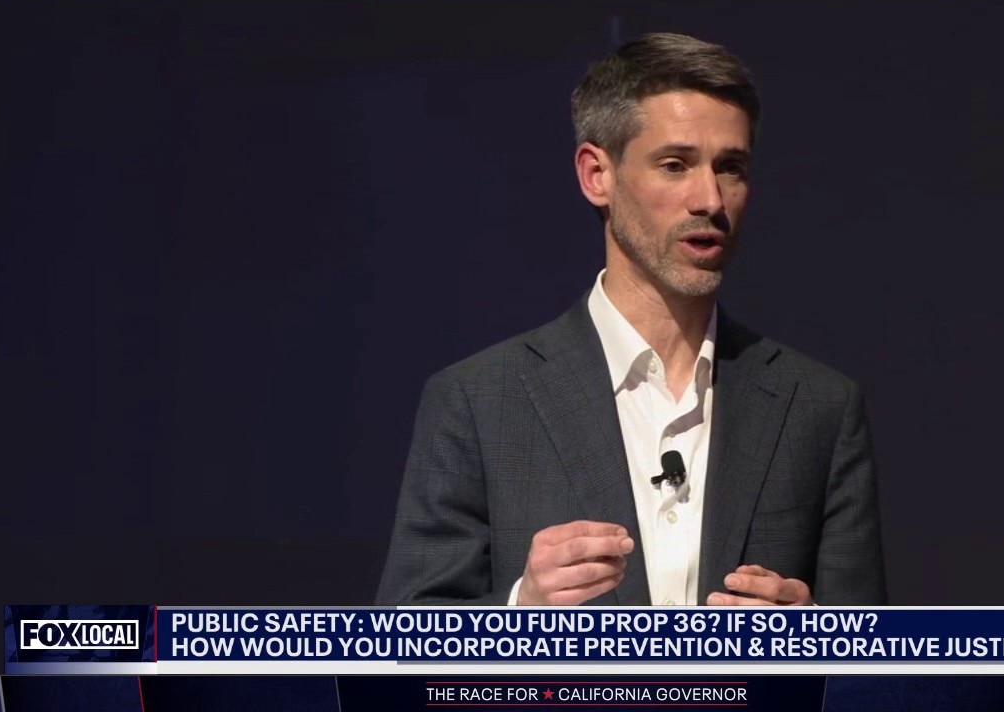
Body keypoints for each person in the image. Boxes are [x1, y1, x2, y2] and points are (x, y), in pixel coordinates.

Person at [376, 32, 886, 608]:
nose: (710, 200)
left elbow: (876, 652)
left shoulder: (818, 406)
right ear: (597, 175)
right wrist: (523, 611)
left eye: (731, 168)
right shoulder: (478, 402)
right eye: (675, 165)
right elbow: (404, 647)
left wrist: (815, 637)